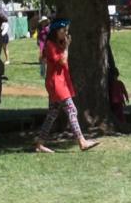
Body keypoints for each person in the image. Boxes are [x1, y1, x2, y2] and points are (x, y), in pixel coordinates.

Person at [33, 19, 97, 153]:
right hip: (56, 84)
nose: (66, 33)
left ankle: (39, 143)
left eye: (67, 30)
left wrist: (64, 45)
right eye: (64, 30)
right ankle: (82, 141)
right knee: (72, 110)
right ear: (56, 31)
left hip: (60, 82)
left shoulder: (56, 44)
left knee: (52, 114)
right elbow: (62, 60)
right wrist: (67, 47)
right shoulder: (50, 45)